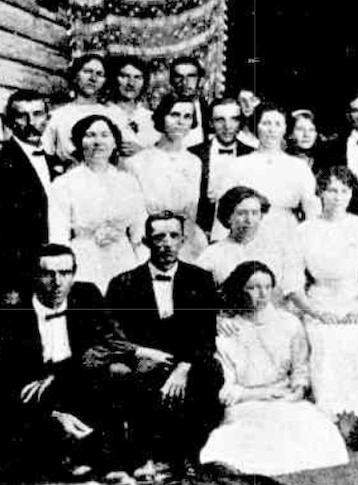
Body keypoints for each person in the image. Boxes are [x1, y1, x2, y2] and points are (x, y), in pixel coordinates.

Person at [0, 244, 134, 484]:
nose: (57, 282)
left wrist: (58, 376)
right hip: (33, 398)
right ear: (34, 276)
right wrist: (52, 414)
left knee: (115, 374)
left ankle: (109, 464)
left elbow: (116, 343)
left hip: (74, 383)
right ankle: (65, 464)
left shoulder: (87, 295)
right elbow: (9, 380)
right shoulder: (13, 314)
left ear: (75, 273)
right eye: (48, 274)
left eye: (65, 273)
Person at [199, 261, 349, 475]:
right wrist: (262, 394)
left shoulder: (289, 324)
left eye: (268, 287)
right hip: (247, 402)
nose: (262, 294)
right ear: (239, 290)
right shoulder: (229, 330)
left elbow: (300, 369)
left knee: (316, 429)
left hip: (285, 397)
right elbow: (227, 389)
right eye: (253, 288)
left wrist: (297, 390)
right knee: (249, 439)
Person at [105, 211, 223, 480]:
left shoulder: (201, 280)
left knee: (211, 372)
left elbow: (206, 336)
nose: (167, 243)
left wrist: (183, 368)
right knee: (126, 378)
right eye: (159, 237)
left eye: (173, 236)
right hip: (145, 361)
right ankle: (142, 456)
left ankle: (188, 455)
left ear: (183, 240)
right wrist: (143, 354)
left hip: (187, 361)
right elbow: (114, 336)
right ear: (146, 241)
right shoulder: (123, 283)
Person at [290, 166, 358, 451]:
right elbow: (293, 286)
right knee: (325, 343)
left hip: (357, 302)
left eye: (344, 190)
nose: (338, 197)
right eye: (331, 190)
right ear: (320, 192)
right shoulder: (304, 231)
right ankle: (329, 423)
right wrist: (318, 312)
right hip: (318, 303)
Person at [49, 115, 148, 292]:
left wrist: (141, 268)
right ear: (79, 142)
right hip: (84, 261)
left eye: (105, 135)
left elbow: (139, 233)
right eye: (90, 135)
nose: (97, 142)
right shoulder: (64, 184)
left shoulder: (128, 182)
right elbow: (58, 237)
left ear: (115, 142)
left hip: (123, 259)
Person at [214, 102, 320, 244]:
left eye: (277, 124)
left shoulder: (299, 167)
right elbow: (223, 210)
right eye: (266, 123)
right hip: (246, 235)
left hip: (287, 235)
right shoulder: (238, 165)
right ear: (256, 127)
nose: (271, 130)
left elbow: (311, 210)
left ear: (285, 129)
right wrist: (220, 243)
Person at [123, 93, 209, 260]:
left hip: (186, 241)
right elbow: (136, 215)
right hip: (149, 241)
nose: (180, 122)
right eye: (174, 115)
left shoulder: (194, 162)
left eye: (187, 117)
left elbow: (192, 212)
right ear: (162, 117)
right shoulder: (137, 162)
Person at [0, 90, 66, 289]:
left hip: (56, 269)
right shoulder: (3, 164)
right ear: (8, 121)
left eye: (37, 114)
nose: (30, 122)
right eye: (21, 116)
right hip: (18, 274)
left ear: (48, 119)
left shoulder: (56, 163)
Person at [196, 186, 298, 295]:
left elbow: (290, 291)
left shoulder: (274, 250)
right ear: (228, 217)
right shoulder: (212, 255)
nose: (249, 220)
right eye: (241, 213)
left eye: (254, 213)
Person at [188, 98, 255, 237]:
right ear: (211, 123)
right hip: (201, 232)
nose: (227, 126)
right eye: (220, 120)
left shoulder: (252, 154)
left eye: (234, 119)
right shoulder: (194, 154)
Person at [42, 54, 112, 163]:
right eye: (87, 71)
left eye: (99, 74)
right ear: (75, 76)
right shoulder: (58, 116)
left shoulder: (111, 114)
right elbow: (46, 153)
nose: (93, 78)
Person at [104, 56, 160, 160]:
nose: (131, 83)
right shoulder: (104, 114)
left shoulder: (151, 118)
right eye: (125, 76)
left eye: (137, 77)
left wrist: (143, 152)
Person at [169, 56, 208, 147]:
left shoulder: (206, 110)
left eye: (191, 76)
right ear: (171, 81)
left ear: (200, 80)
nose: (185, 82)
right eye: (179, 77)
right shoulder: (162, 110)